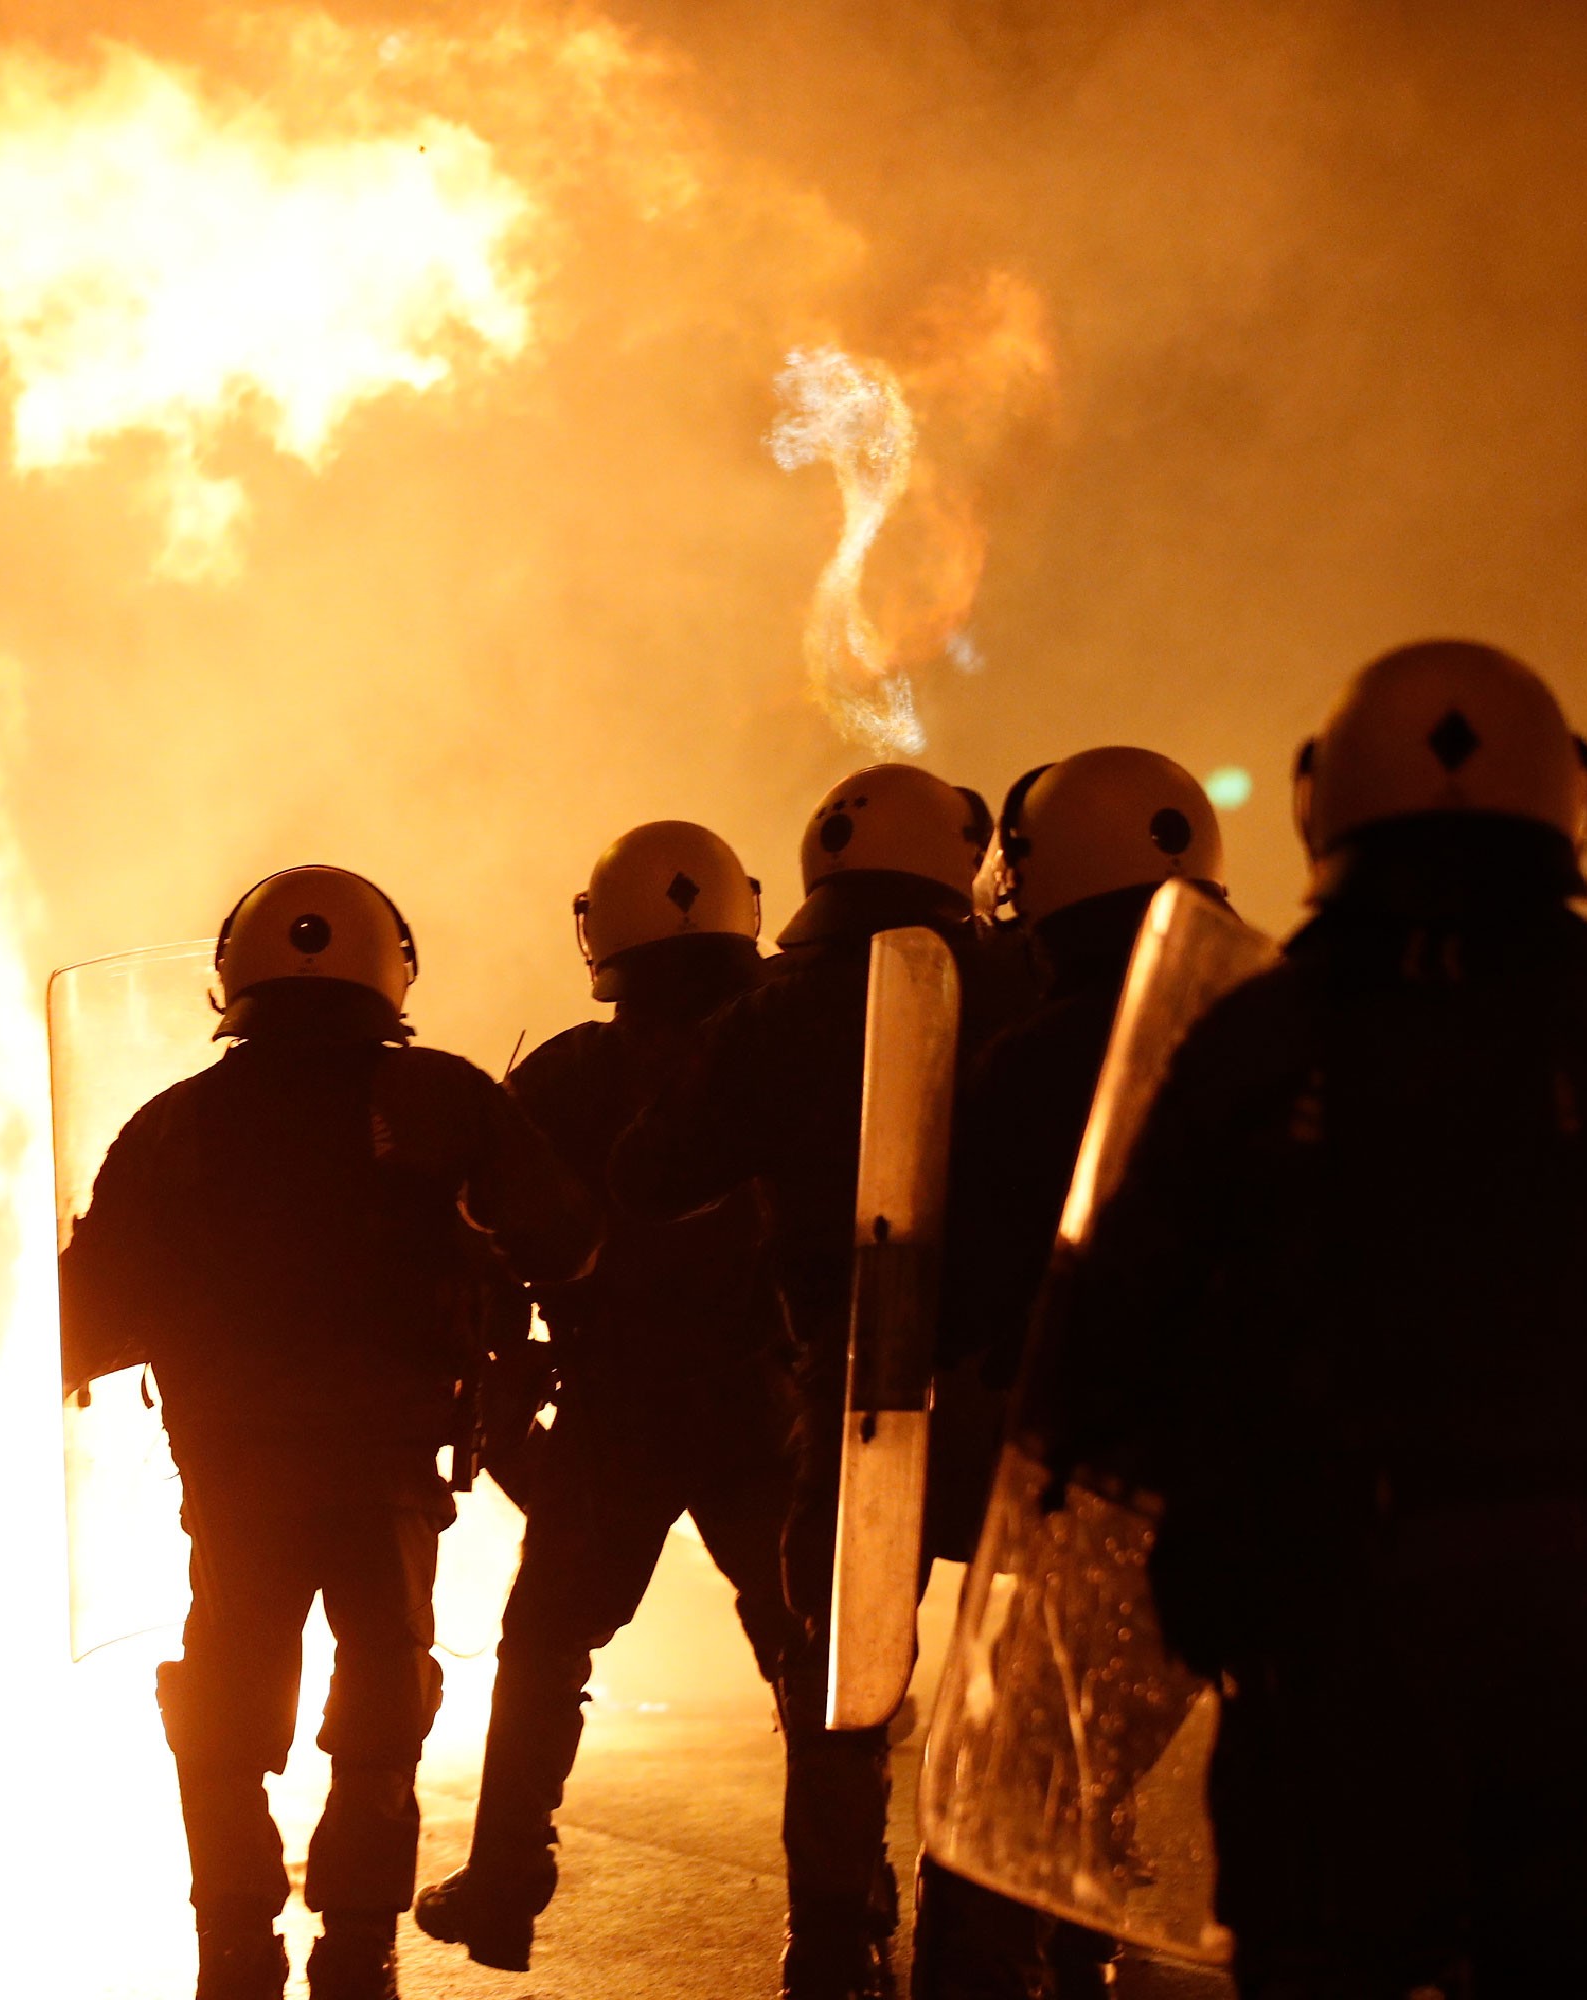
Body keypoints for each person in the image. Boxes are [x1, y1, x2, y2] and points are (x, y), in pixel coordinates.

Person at [1037, 642, 1587, 1999]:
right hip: (1577, 1608)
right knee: (1549, 1960)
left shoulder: (1256, 1041)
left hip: (1314, 1607)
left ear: (1316, 800)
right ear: (1565, 793)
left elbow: (1107, 1339)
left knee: (1320, 1960)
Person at [59, 866, 601, 2000]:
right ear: (390, 966)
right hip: (390, 1462)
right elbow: (565, 1240)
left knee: (223, 1696)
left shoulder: (172, 1123)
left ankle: (234, 1947)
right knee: (385, 1694)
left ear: (231, 977)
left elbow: (85, 1313)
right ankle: (357, 1947)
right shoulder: (445, 1100)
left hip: (235, 1464)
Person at [613, 764, 1016, 2000]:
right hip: (1014, 1377)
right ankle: (1008, 1925)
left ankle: (833, 1931)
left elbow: (651, 1170)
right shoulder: (1028, 982)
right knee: (1019, 1662)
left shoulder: (775, 1013)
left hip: (854, 1376)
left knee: (838, 1674)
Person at [413, 821, 804, 1973]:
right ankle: (846, 1895)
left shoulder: (571, 1076)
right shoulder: (798, 1055)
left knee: (544, 1642)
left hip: (617, 1404)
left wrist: (496, 1396)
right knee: (810, 1650)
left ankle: (503, 1881)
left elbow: (481, 1240)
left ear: (602, 934)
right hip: (760, 1400)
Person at [914, 748, 1225, 2000]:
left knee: (1006, 1777)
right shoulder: (1281, 1019)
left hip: (1080, 1473)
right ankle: (1086, 1946)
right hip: (1249, 1472)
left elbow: (972, 1291)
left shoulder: (1036, 1060)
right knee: (1103, 1763)